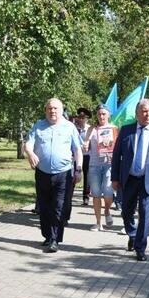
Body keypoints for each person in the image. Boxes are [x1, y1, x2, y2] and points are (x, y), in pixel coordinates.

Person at [111, 99, 149, 261]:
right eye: (144, 111)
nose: (148, 114)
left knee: (145, 213)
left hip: (148, 181)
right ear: (137, 114)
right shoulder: (126, 131)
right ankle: (133, 234)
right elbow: (116, 156)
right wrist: (115, 177)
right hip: (128, 179)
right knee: (126, 211)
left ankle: (140, 247)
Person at [24, 98, 83, 253]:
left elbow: (77, 150)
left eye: (56, 108)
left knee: (58, 207)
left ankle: (55, 239)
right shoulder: (38, 126)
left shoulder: (69, 127)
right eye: (49, 108)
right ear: (45, 110)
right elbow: (28, 144)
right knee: (44, 207)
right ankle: (48, 235)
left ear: (61, 110)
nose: (52, 111)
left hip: (63, 173)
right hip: (42, 173)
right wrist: (30, 153)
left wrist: (79, 169)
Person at [83, 104, 117, 231]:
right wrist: (85, 145)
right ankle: (98, 222)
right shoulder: (92, 129)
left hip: (109, 165)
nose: (101, 116)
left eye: (104, 113)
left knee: (108, 192)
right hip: (94, 165)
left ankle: (107, 211)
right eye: (99, 114)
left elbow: (118, 147)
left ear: (108, 115)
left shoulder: (114, 129)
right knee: (96, 193)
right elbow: (86, 144)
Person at [75, 108, 92, 205]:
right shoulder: (74, 128)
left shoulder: (90, 129)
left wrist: (89, 146)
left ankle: (86, 197)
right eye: (79, 117)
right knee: (74, 175)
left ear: (87, 119)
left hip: (87, 155)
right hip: (76, 156)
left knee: (87, 176)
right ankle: (69, 194)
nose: (81, 119)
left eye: (83, 118)